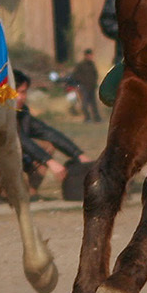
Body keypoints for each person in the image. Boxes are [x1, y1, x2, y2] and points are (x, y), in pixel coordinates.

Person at [13, 69, 87, 198]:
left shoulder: (22, 113)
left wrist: (78, 154)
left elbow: (47, 133)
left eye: (23, 92)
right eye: (17, 92)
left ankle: (30, 192)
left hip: (17, 157)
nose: (21, 97)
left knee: (47, 146)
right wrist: (49, 161)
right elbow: (19, 138)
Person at [68, 48, 102, 122]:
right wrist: (81, 82)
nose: (90, 57)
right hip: (84, 87)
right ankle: (87, 118)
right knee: (85, 104)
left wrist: (95, 83)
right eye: (89, 55)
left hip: (92, 87)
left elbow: (95, 74)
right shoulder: (81, 65)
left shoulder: (92, 64)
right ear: (86, 56)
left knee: (94, 104)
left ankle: (97, 118)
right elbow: (75, 75)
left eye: (91, 55)